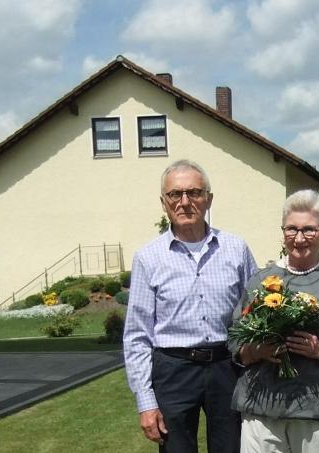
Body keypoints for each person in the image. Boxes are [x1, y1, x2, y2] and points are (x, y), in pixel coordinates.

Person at [124, 159, 258, 453]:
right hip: (173, 369)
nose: (185, 202)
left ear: (208, 199)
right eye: (175, 194)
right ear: (164, 202)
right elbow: (137, 335)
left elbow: (256, 313)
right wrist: (146, 403)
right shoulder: (148, 258)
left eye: (194, 193)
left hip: (228, 366)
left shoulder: (236, 249)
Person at [228, 189, 319, 453]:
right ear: (282, 231)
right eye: (291, 229)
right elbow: (235, 340)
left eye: (309, 230)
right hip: (263, 407)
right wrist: (258, 350)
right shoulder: (261, 280)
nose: (299, 238)